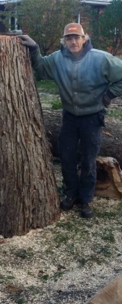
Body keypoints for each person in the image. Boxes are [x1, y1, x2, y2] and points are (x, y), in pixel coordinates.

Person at [19, 23, 122, 218]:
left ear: (84, 38)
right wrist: (34, 49)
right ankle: (71, 194)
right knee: (66, 157)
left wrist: (109, 94)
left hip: (92, 117)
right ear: (64, 41)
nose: (73, 42)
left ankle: (86, 199)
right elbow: (41, 68)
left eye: (77, 37)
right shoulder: (58, 59)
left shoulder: (101, 58)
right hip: (70, 117)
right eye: (69, 38)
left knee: (88, 160)